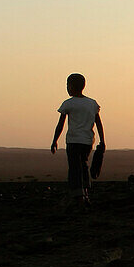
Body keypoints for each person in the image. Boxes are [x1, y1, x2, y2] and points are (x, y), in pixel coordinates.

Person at [51, 73, 104, 205]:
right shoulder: (92, 103)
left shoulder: (68, 104)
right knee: (83, 165)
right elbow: (98, 122)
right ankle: (85, 192)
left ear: (71, 86)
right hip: (87, 141)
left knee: (75, 168)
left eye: (67, 85)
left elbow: (60, 124)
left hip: (74, 141)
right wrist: (102, 140)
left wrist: (54, 140)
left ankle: (78, 196)